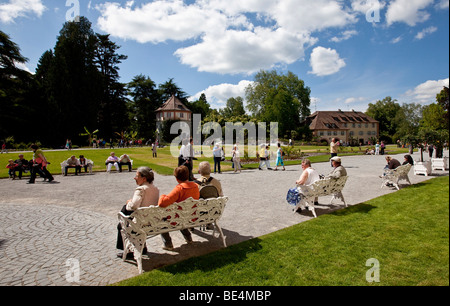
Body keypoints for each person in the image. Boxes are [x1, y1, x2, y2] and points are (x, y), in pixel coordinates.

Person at [116, 167, 160, 258]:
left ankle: (128, 251)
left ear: (144, 178)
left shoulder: (140, 189)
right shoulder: (155, 189)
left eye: (137, 176)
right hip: (152, 220)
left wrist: (128, 202)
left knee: (121, 225)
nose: (134, 178)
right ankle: (143, 247)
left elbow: (133, 206)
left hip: (141, 222)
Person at [158, 166, 199, 250]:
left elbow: (162, 203)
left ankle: (168, 243)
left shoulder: (180, 188)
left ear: (176, 178)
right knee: (182, 214)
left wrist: (162, 195)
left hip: (179, 218)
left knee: (162, 218)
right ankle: (188, 237)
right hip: (191, 216)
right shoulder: (195, 186)